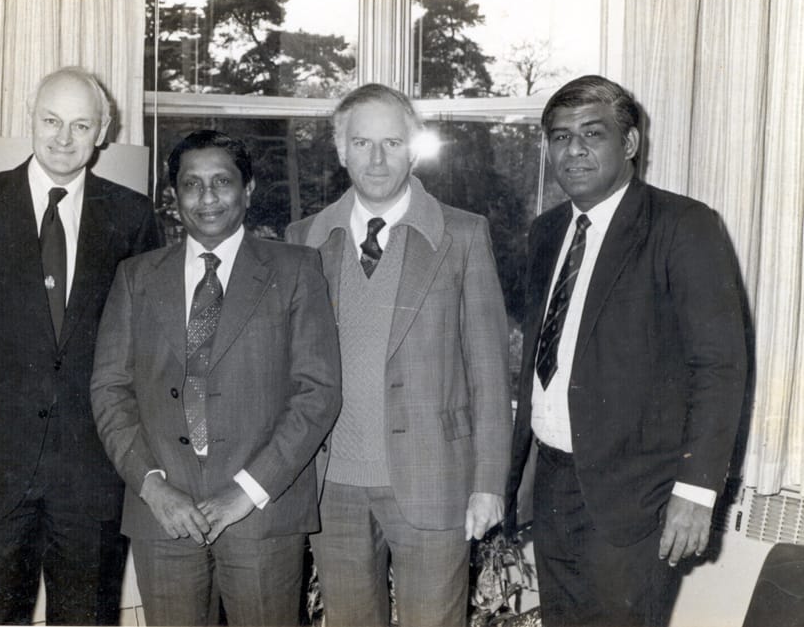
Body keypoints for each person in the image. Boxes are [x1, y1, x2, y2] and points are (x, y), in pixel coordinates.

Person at [0, 66, 160, 625]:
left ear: (102, 133)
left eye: (80, 125)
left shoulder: (130, 216)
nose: (62, 138)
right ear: (31, 117)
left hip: (91, 470)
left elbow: (143, 337)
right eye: (51, 121)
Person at [505, 75, 747, 627]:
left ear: (630, 143)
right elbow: (547, 356)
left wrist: (697, 490)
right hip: (553, 483)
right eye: (560, 137)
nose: (575, 150)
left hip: (639, 493)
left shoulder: (683, 225)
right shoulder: (546, 233)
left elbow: (721, 367)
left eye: (593, 134)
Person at [90, 129, 342, 626]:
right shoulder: (136, 277)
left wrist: (245, 491)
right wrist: (155, 488)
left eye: (222, 182)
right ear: (174, 195)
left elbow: (317, 393)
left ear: (247, 190)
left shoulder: (294, 269)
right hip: (163, 516)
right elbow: (109, 391)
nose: (207, 198)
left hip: (262, 514)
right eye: (191, 184)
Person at [286, 83, 512, 627]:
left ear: (413, 148)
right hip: (332, 486)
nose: (378, 158)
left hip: (435, 479)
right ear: (341, 151)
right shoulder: (303, 240)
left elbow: (488, 371)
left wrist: (488, 484)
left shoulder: (462, 235)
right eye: (362, 143)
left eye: (392, 142)